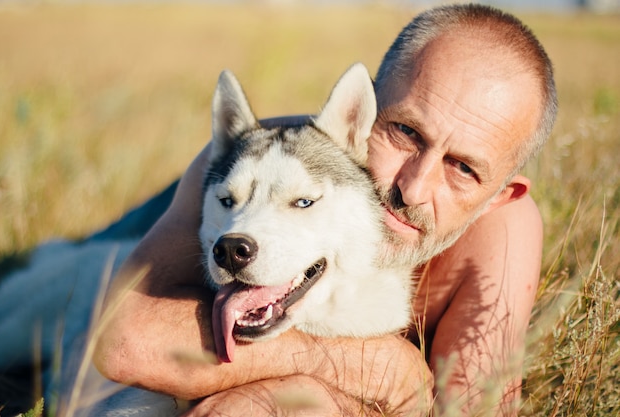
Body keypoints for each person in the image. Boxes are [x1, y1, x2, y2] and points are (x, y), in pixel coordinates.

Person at [93, 3, 557, 416]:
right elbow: (123, 342)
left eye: (462, 168)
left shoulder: (504, 233)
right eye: (406, 132)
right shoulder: (258, 155)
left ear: (500, 195)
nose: (413, 189)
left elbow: (475, 408)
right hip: (149, 224)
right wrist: (379, 366)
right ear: (363, 110)